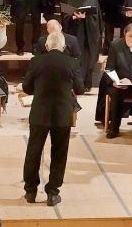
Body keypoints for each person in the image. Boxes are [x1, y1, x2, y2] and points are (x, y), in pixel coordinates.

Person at [23, 32, 83, 206]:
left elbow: (27, 87)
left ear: (47, 46)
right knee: (59, 153)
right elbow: (79, 88)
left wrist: (39, 88)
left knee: (33, 151)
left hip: (39, 113)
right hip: (62, 114)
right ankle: (53, 192)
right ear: (64, 47)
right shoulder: (72, 62)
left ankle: (30, 191)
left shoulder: (36, 61)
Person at [62, 0, 102, 93]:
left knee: (87, 58)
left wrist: (86, 17)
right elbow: (66, 17)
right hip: (75, 33)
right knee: (76, 58)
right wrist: (74, 17)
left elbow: (96, 16)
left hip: (89, 34)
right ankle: (76, 84)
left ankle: (86, 84)